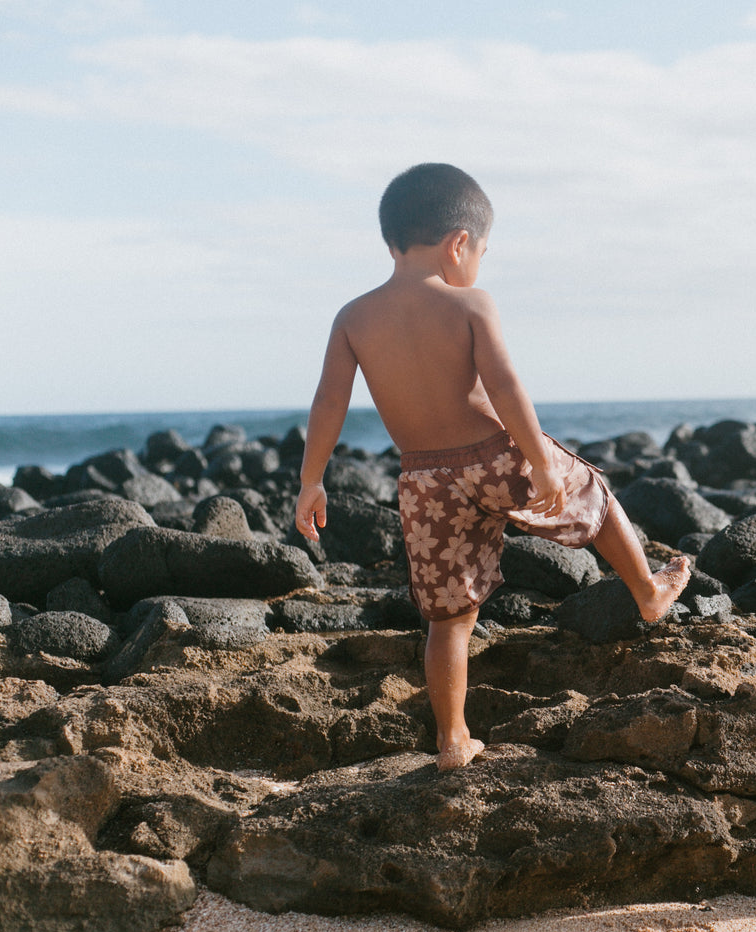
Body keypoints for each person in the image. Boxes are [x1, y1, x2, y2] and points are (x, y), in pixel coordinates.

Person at [294, 163, 690, 772]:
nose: (478, 263)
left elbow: (329, 402)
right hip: (495, 455)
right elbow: (505, 388)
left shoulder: (354, 317)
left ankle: (453, 740)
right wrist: (542, 463)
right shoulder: (470, 301)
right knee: (595, 495)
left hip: (424, 480)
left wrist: (312, 480)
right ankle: (648, 591)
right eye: (481, 250)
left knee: (449, 617)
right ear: (459, 243)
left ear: (391, 239)